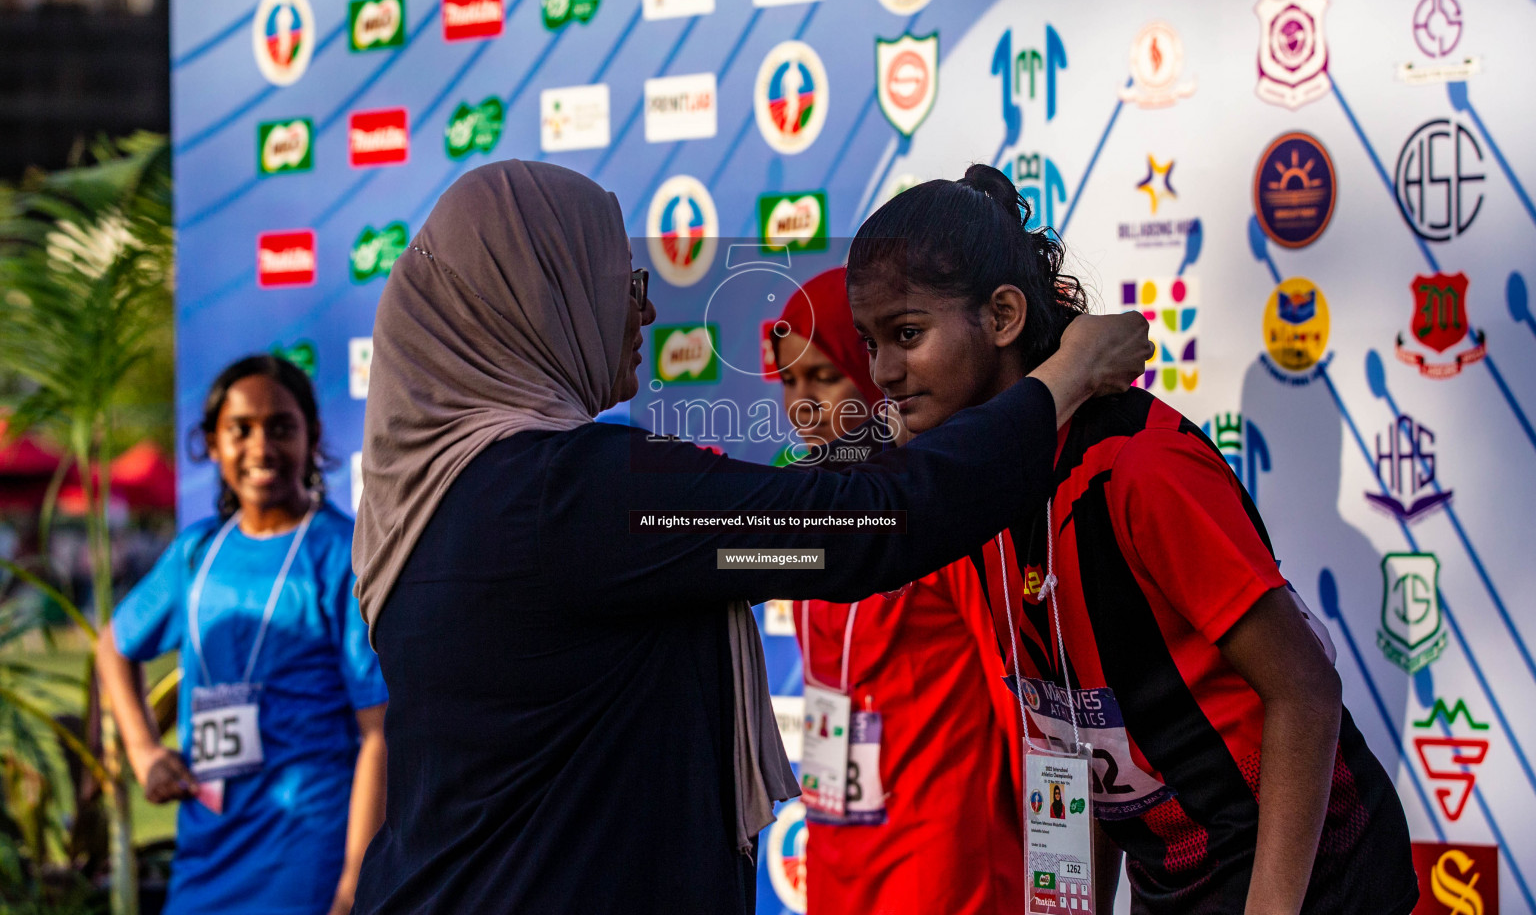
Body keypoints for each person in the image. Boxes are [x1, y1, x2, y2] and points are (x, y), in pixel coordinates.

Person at [347, 160, 1150, 914]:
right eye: (623, 284)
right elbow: (864, 529)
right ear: (537, 299)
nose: (647, 311)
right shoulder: (564, 496)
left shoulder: (448, 501)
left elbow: (796, 528)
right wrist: (1064, 379)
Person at [844, 164, 1417, 915]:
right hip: (1173, 881)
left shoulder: (1139, 466)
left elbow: (1306, 690)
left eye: (907, 334)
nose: (882, 372)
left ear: (1005, 316)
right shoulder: (969, 493)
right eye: (869, 341)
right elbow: (1069, 741)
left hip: (1312, 885)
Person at [771, 267, 1026, 915]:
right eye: (789, 380)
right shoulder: (810, 513)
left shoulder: (944, 512)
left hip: (949, 870)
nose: (803, 402)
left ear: (870, 373)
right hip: (838, 863)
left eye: (823, 376)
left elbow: (1018, 705)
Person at [96, 355, 388, 915]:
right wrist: (144, 752)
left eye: (281, 427)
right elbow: (114, 643)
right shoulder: (197, 553)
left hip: (306, 848)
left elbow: (379, 731)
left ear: (312, 437)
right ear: (211, 443)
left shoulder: (343, 556)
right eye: (241, 430)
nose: (261, 448)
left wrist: (353, 879)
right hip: (207, 847)